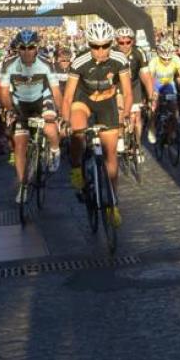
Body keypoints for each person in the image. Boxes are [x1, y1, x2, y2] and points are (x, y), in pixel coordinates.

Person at [63, 20, 133, 226]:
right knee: (77, 129)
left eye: (105, 46)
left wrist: (125, 116)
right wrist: (66, 121)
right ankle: (77, 167)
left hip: (107, 103)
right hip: (83, 100)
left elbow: (128, 92)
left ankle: (113, 204)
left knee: (111, 154)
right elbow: (68, 97)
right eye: (95, 46)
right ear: (89, 45)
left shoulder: (120, 59)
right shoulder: (79, 61)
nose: (100, 51)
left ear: (111, 43)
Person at [0, 29, 63, 203]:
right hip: (20, 104)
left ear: (37, 48)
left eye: (31, 47)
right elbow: (4, 93)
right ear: (17, 49)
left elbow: (56, 91)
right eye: (23, 48)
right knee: (20, 145)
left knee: (50, 129)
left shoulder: (46, 63)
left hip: (42, 100)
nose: (27, 52)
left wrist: (60, 114)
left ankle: (55, 150)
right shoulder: (8, 64)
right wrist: (10, 109)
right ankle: (23, 186)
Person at [144, 40, 180, 145]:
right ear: (159, 55)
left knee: (175, 109)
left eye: (169, 59)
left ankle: (171, 130)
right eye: (164, 59)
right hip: (156, 84)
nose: (167, 61)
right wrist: (152, 93)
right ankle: (152, 128)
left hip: (169, 85)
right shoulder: (154, 61)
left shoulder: (176, 59)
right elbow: (150, 79)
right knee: (154, 108)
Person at [114, 26, 150, 149]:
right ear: (116, 42)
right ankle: (120, 136)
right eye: (121, 43)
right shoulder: (112, 53)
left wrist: (151, 95)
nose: (125, 45)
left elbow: (146, 76)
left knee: (137, 116)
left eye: (128, 42)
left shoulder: (139, 52)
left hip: (134, 85)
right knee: (121, 112)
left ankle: (138, 144)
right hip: (118, 85)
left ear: (132, 41)